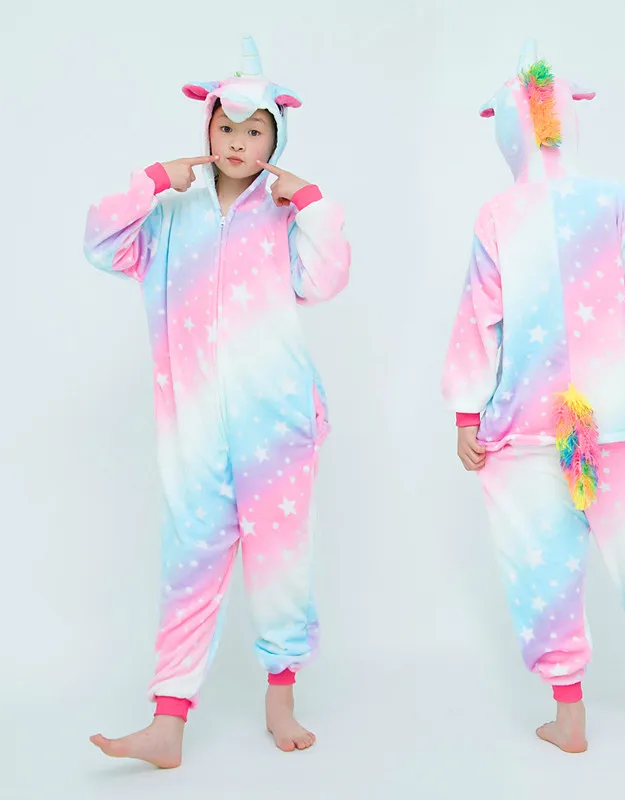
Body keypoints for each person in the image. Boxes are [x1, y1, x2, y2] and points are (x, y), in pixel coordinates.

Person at [441, 40, 625, 754]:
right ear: (568, 119)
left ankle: (569, 712)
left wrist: (467, 411)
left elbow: (479, 320)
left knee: (540, 562)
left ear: (504, 130)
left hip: (530, 423)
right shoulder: (610, 201)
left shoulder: (500, 214)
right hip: (619, 415)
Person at [84, 34, 350, 766]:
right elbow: (102, 245)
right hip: (194, 421)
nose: (238, 142)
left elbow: (326, 279)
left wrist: (312, 203)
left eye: (255, 130)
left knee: (280, 558)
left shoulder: (283, 218)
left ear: (276, 137)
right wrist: (151, 182)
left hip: (278, 419)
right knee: (190, 557)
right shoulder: (171, 216)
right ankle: (167, 722)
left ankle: (281, 696)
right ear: (206, 130)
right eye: (226, 127)